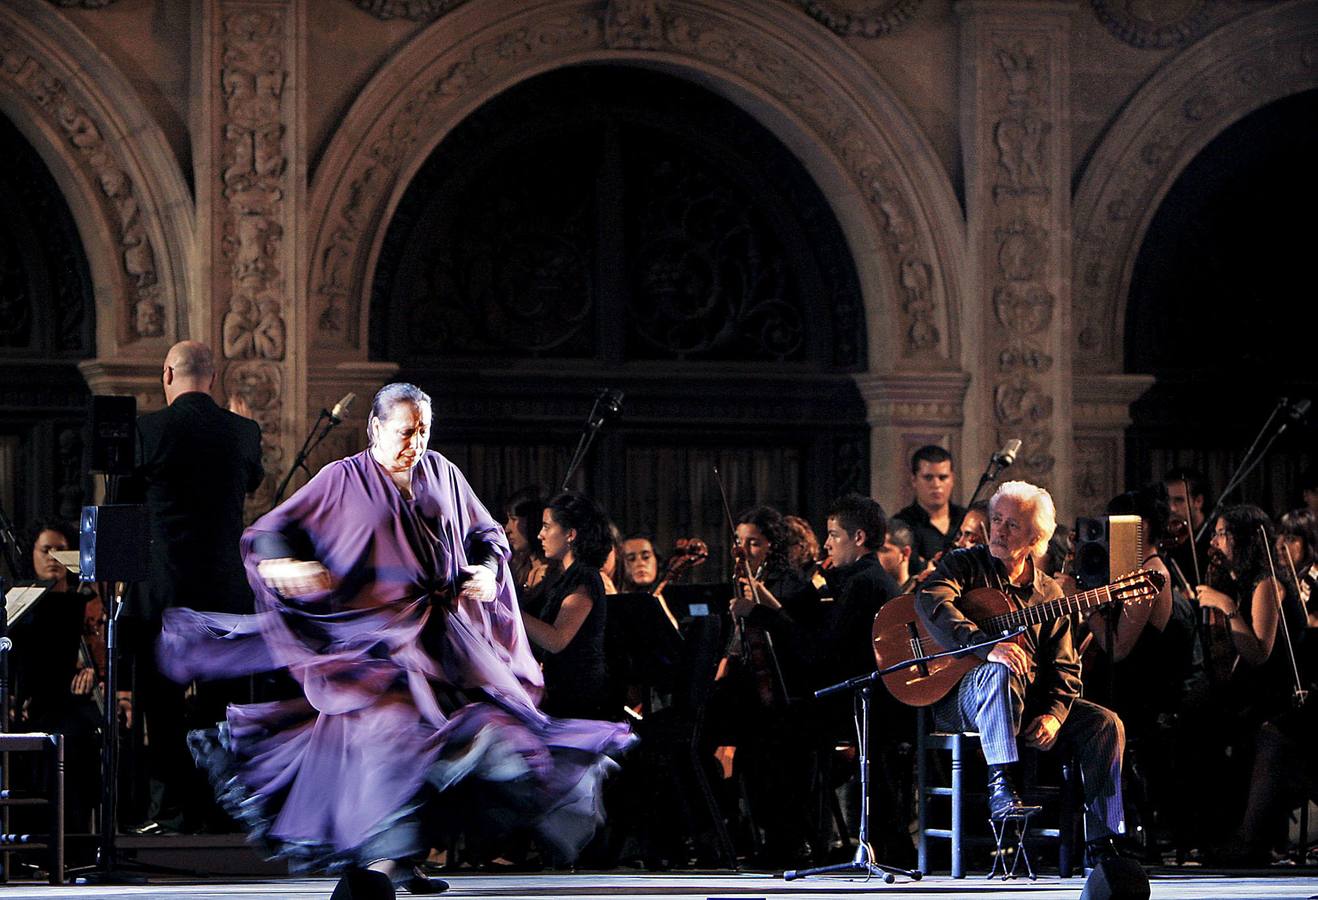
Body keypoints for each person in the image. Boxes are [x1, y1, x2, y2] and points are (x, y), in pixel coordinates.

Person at [157, 383, 632, 897]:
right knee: (393, 743)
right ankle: (378, 870)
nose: (417, 442)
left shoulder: (443, 474)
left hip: (445, 644)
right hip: (375, 646)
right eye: (406, 431)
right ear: (375, 428)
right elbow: (274, 530)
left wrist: (491, 572)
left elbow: (487, 536)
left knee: (468, 747)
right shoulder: (340, 480)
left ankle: (399, 861)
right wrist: (285, 563)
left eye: (424, 430)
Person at [915, 481, 1129, 863]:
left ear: (1036, 537)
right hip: (960, 697)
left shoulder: (1049, 595)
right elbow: (931, 598)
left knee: (1106, 723)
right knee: (1000, 667)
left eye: (1011, 525)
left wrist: (1055, 714)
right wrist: (984, 645)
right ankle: (1002, 784)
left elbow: (1066, 668)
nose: (997, 529)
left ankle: (1103, 842)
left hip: (1026, 700)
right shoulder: (966, 564)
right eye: (996, 520)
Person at [126, 339, 263, 832]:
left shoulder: (145, 431)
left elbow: (120, 504)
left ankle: (169, 812)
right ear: (214, 377)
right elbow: (250, 482)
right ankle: (218, 811)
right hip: (225, 593)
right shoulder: (243, 432)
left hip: (160, 592)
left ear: (167, 375)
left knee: (159, 708)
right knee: (221, 707)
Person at [521, 492, 613, 720]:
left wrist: (509, 609)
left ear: (570, 534)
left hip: (579, 700)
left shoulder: (585, 579)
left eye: (546, 527)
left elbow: (556, 640)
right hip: (564, 692)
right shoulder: (568, 577)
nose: (540, 535)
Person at [894, 446, 964, 571]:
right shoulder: (901, 525)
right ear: (914, 480)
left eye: (943, 478)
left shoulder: (966, 518)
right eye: (928, 478)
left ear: (952, 479)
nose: (936, 485)